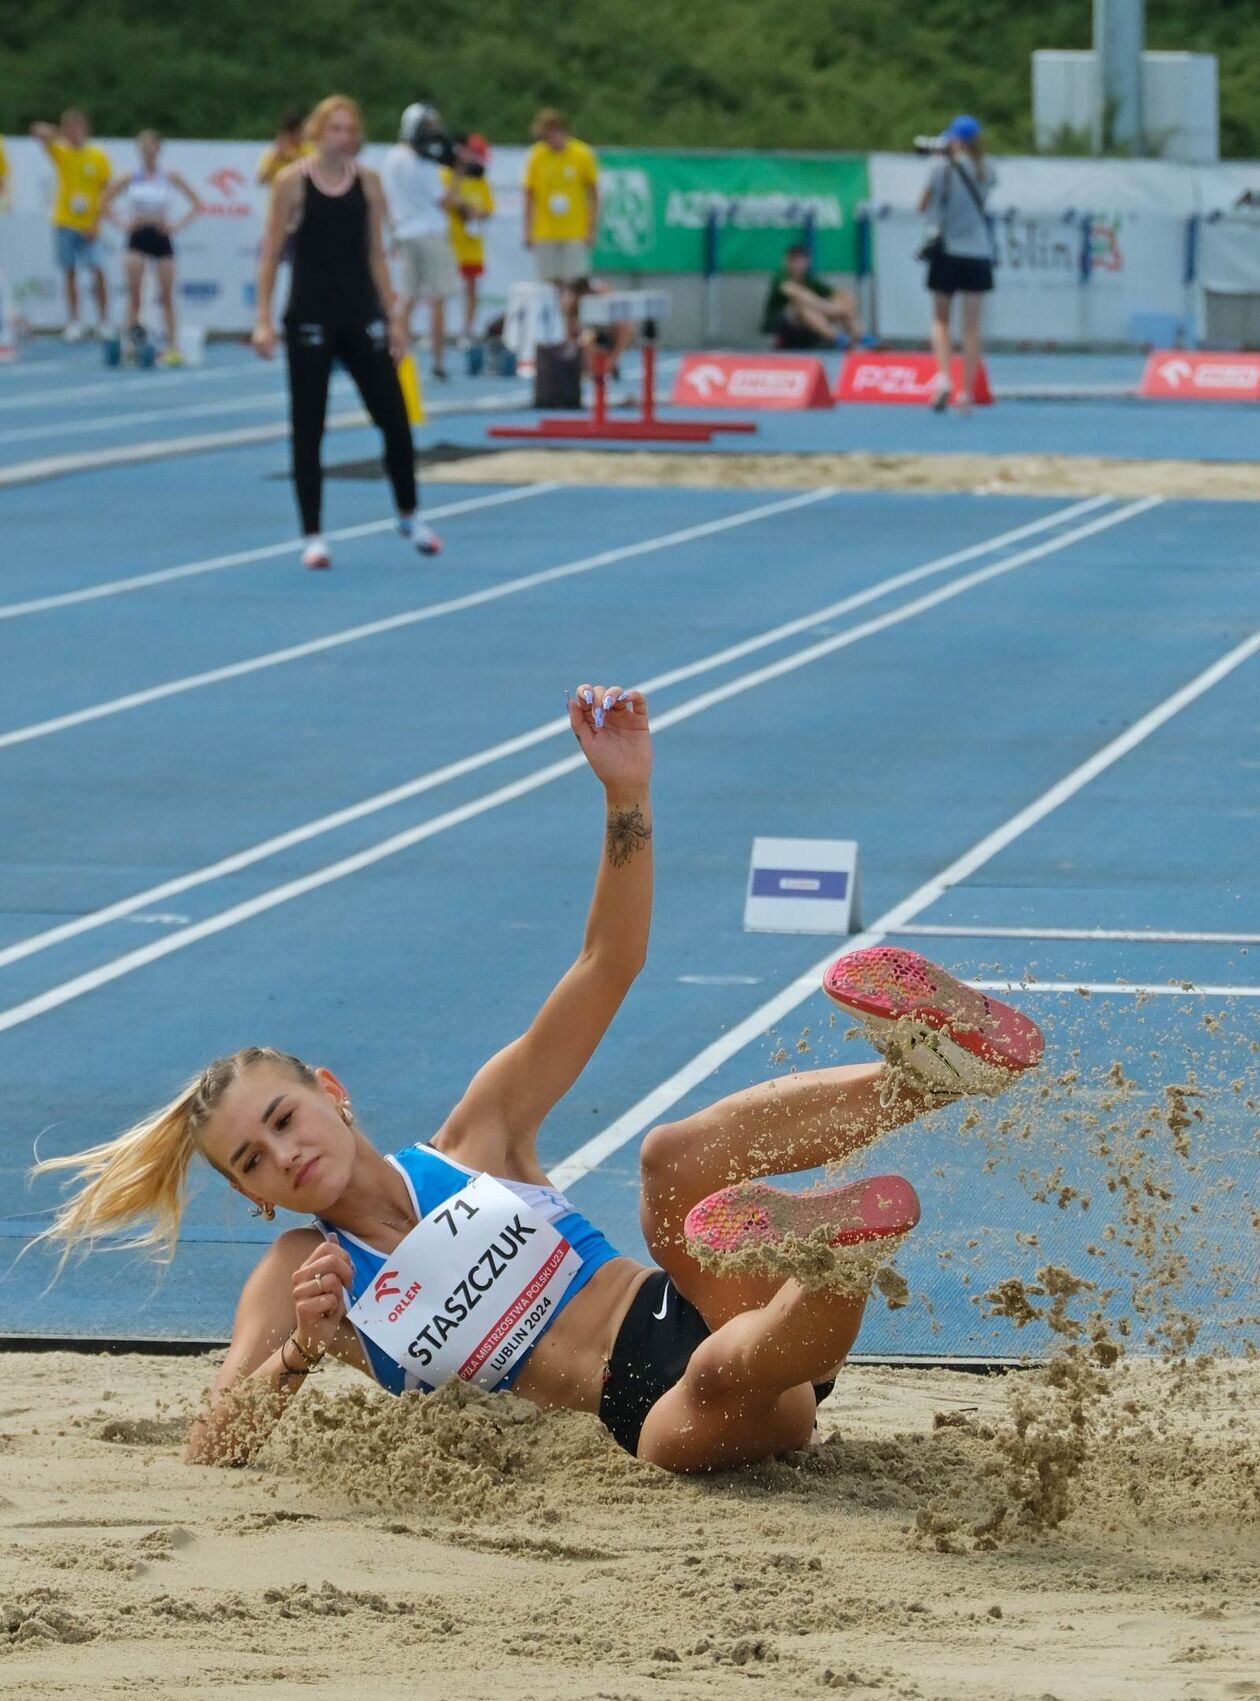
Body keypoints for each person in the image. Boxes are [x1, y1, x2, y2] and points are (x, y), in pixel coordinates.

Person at [32, 684, 1045, 1474]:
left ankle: (925, 1077)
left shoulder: (477, 1142)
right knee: (726, 1373)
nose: (285, 1156)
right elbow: (215, 1447)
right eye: (252, 1160)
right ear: (248, 1196)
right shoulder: (301, 1275)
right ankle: (837, 1247)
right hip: (650, 1406)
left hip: (677, 1295)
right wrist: (303, 1351)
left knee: (671, 1160)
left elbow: (606, 965)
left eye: (286, 1119)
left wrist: (627, 797)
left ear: (332, 1091)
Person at [252, 94, 441, 570]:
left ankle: (408, 513)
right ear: (317, 133)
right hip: (310, 315)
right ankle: (313, 534)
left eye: (351, 130)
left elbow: (376, 254)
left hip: (360, 314)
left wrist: (395, 316)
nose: (345, 138)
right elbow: (271, 252)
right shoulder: (291, 183)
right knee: (308, 429)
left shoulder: (370, 183)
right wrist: (261, 319)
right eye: (336, 129)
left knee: (395, 420)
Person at [99, 131, 203, 365]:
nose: (149, 153)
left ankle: (172, 345)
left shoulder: (169, 175)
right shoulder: (130, 176)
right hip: (137, 236)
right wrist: (122, 223)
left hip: (160, 236)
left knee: (166, 296)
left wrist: (175, 226)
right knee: (134, 295)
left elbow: (197, 203)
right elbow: (103, 201)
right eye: (145, 148)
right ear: (140, 151)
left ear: (158, 150)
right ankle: (129, 344)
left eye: (153, 148)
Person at [917, 114, 996, 414]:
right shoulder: (987, 168)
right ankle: (966, 393)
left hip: (948, 250)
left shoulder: (941, 168)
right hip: (978, 253)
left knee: (941, 320)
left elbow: (922, 204)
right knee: (972, 328)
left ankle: (943, 379)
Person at [383, 103, 461, 380]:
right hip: (429, 231)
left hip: (404, 232)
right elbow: (445, 200)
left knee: (407, 299)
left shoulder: (392, 157)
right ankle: (438, 361)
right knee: (437, 299)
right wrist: (459, 174)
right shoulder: (423, 160)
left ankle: (396, 356)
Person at [29, 109, 112, 342]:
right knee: (69, 272)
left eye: (78, 128)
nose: (75, 133)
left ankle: (104, 321)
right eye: (70, 128)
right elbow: (37, 129)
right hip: (65, 221)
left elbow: (105, 190)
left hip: (89, 224)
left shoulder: (98, 156)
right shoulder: (61, 151)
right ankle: (75, 321)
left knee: (98, 271)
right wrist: (62, 136)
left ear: (86, 129)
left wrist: (96, 222)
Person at [522, 108, 598, 286]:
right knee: (548, 282)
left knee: (575, 282)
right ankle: (555, 314)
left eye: (554, 132)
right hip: (545, 231)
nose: (551, 139)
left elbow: (594, 195)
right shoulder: (536, 156)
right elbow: (529, 195)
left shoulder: (582, 154)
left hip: (574, 231)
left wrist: (591, 228)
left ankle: (570, 314)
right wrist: (528, 230)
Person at [442, 133, 495, 343]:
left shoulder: (481, 182)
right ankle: (442, 328)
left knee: (471, 287)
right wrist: (463, 207)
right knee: (441, 288)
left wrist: (476, 212)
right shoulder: (448, 175)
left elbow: (489, 208)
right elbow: (446, 200)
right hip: (451, 242)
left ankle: (467, 328)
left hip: (472, 244)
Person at [762, 243, 862, 349]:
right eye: (795, 260)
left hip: (808, 327)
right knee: (802, 306)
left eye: (802, 261)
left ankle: (859, 339)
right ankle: (839, 340)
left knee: (843, 303)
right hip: (783, 327)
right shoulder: (780, 276)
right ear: (787, 261)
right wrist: (827, 308)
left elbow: (838, 293)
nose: (799, 264)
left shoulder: (809, 279)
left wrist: (843, 304)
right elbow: (796, 293)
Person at [257, 109, 312, 187]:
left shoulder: (309, 149)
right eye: (299, 132)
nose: (303, 135)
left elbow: (314, 173)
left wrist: (291, 157)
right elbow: (261, 180)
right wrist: (276, 157)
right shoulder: (273, 153)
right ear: (289, 133)